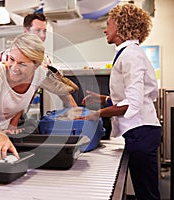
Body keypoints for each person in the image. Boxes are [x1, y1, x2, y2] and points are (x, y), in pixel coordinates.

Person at [78, 3, 161, 200]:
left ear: (121, 25)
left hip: (141, 131)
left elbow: (131, 104)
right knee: (144, 191)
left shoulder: (131, 55)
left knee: (147, 194)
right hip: (140, 131)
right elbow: (131, 97)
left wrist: (97, 114)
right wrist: (104, 99)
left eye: (108, 24)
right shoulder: (128, 53)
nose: (105, 29)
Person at [0, 33, 75, 160]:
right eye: (11, 59)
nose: (14, 67)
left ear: (35, 66)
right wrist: (1, 137)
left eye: (22, 64)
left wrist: (77, 113)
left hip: (3, 135)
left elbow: (64, 90)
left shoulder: (40, 74)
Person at [0, 13, 78, 107]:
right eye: (37, 30)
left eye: (44, 31)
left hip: (23, 111)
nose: (42, 35)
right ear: (26, 31)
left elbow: (60, 90)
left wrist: (77, 111)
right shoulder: (7, 56)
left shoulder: (45, 60)